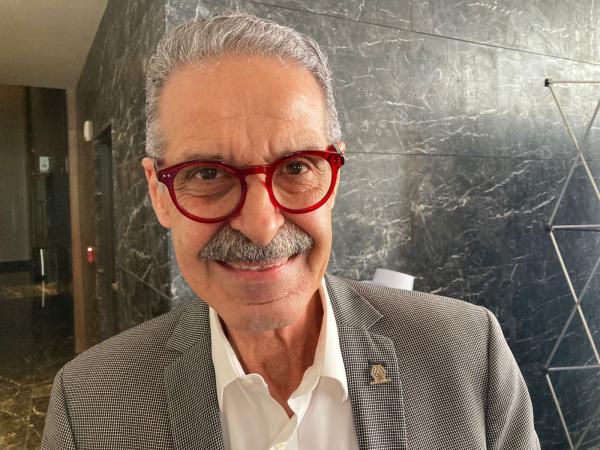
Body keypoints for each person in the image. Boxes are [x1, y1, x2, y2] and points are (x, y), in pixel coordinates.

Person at [42, 11, 540, 450]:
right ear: (159, 194)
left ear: (334, 176)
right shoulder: (88, 406)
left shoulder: (467, 353)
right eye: (208, 174)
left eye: (297, 167)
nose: (261, 227)